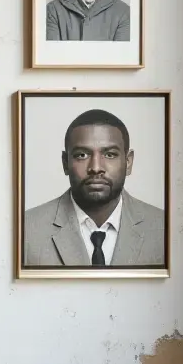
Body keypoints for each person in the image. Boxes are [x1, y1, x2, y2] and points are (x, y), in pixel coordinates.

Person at [23, 109, 164, 267]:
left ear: (128, 162)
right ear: (65, 163)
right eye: (82, 155)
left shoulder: (164, 229)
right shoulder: (25, 230)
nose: (96, 168)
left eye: (110, 154)